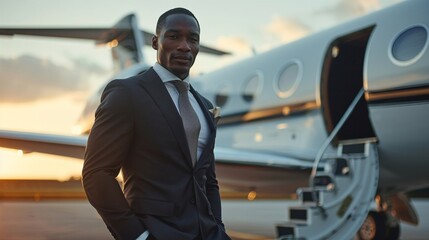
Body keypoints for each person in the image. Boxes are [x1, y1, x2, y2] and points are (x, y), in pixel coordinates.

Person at [82, 7, 231, 240]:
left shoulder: (204, 105)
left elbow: (208, 181)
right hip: (157, 232)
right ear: (155, 42)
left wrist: (218, 228)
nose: (184, 46)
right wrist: (139, 236)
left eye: (193, 39)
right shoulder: (126, 93)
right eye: (173, 36)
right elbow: (97, 174)